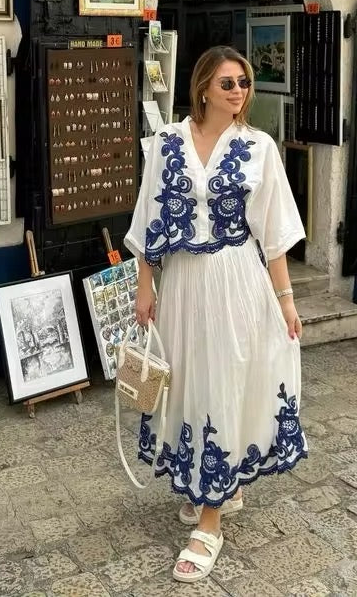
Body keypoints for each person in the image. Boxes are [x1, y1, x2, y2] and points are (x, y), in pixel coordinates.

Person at [125, 45, 308, 583]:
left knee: (226, 385)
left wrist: (287, 300)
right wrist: (144, 284)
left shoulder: (259, 147)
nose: (238, 91)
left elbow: (273, 232)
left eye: (245, 83)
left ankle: (211, 520)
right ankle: (216, 485)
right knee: (189, 386)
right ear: (203, 87)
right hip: (182, 284)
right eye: (227, 82)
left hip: (237, 283)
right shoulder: (165, 144)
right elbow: (149, 212)